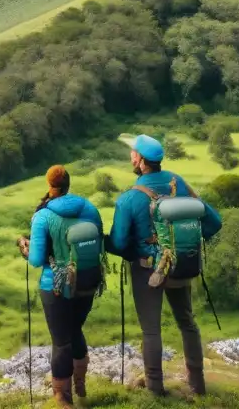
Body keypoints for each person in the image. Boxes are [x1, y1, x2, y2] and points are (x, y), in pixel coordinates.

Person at [106, 134, 223, 397]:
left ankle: (156, 389)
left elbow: (120, 243)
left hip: (148, 270)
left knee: (151, 330)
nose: (131, 156)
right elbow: (213, 223)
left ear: (140, 160)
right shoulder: (178, 183)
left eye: (132, 153)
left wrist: (105, 242)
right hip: (182, 265)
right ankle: (197, 384)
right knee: (187, 322)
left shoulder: (129, 199)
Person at [17, 165, 103, 408]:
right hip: (87, 281)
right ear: (69, 184)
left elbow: (35, 259)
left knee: (62, 341)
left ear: (49, 185)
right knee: (75, 329)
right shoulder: (89, 208)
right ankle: (81, 386)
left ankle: (63, 399)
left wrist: (25, 246)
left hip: (55, 286)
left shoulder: (43, 216)